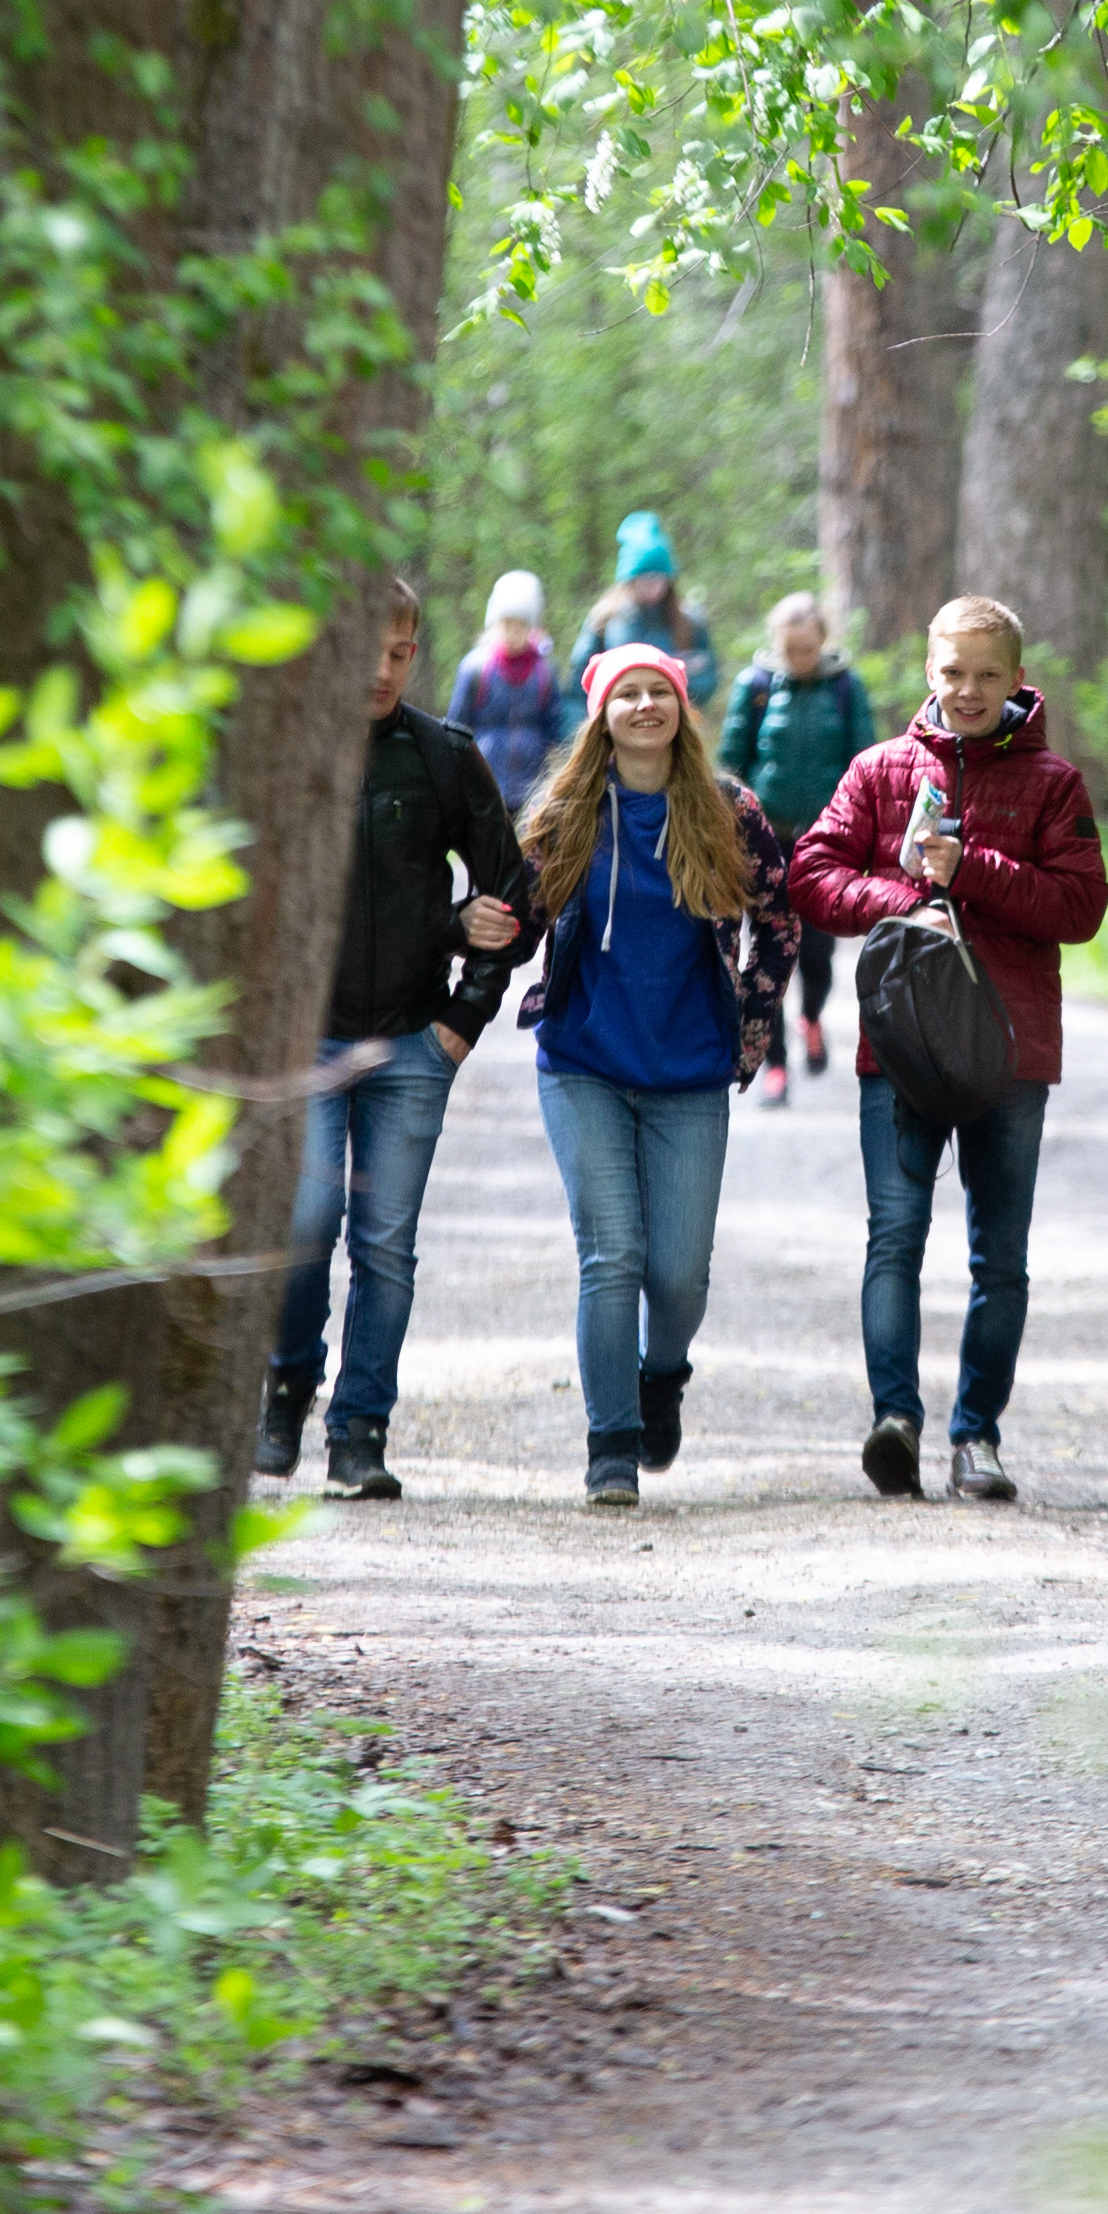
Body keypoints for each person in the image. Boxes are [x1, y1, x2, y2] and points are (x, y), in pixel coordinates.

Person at [787, 595, 1108, 1504]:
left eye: (986, 675)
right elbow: (811, 871)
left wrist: (971, 872)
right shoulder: (880, 770)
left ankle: (978, 1439)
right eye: (952, 673)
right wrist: (904, 900)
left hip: (1011, 1051)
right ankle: (897, 1420)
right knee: (894, 1235)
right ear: (929, 673)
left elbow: (1080, 907)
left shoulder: (1052, 783)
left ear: (1016, 678)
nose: (967, 691)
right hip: (901, 1042)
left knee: (997, 1257)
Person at [254, 580, 536, 1503]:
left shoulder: (443, 756)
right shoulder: (280, 753)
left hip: (414, 1042)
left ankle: (359, 1432)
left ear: (417, 653)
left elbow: (514, 897)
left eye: (400, 652)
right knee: (303, 1225)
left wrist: (464, 1017)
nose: (380, 670)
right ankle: (286, 1385)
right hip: (304, 1045)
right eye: (365, 649)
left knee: (386, 1245)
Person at [512, 644, 797, 1509]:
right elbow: (516, 909)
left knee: (678, 1275)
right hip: (583, 1061)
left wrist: (750, 1032)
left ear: (681, 706)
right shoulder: (568, 808)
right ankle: (610, 1446)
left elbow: (779, 918)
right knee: (611, 1256)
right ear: (599, 714)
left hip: (688, 1069)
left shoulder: (727, 809)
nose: (644, 706)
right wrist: (466, 943)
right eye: (626, 695)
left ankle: (660, 1375)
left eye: (658, 692)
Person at [719, 592, 882, 1109]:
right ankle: (775, 1064)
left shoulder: (845, 688)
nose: (800, 659)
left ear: (823, 640)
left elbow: (866, 763)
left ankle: (812, 1016)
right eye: (791, 650)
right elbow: (731, 763)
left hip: (827, 841)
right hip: (765, 840)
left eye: (807, 649)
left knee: (817, 951)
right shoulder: (757, 687)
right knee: (767, 948)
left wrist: (864, 832)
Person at [448, 569, 576, 813]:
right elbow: (456, 725)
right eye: (507, 623)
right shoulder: (475, 668)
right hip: (484, 783)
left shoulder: (545, 671)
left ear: (533, 627)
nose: (513, 632)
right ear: (494, 622)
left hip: (533, 787)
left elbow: (555, 726)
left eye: (521, 625)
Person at [567, 509, 721, 703]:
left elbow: (709, 678)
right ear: (629, 580)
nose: (652, 586)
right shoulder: (604, 620)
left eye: (658, 578)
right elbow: (578, 684)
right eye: (644, 579)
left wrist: (668, 681)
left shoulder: (689, 619)